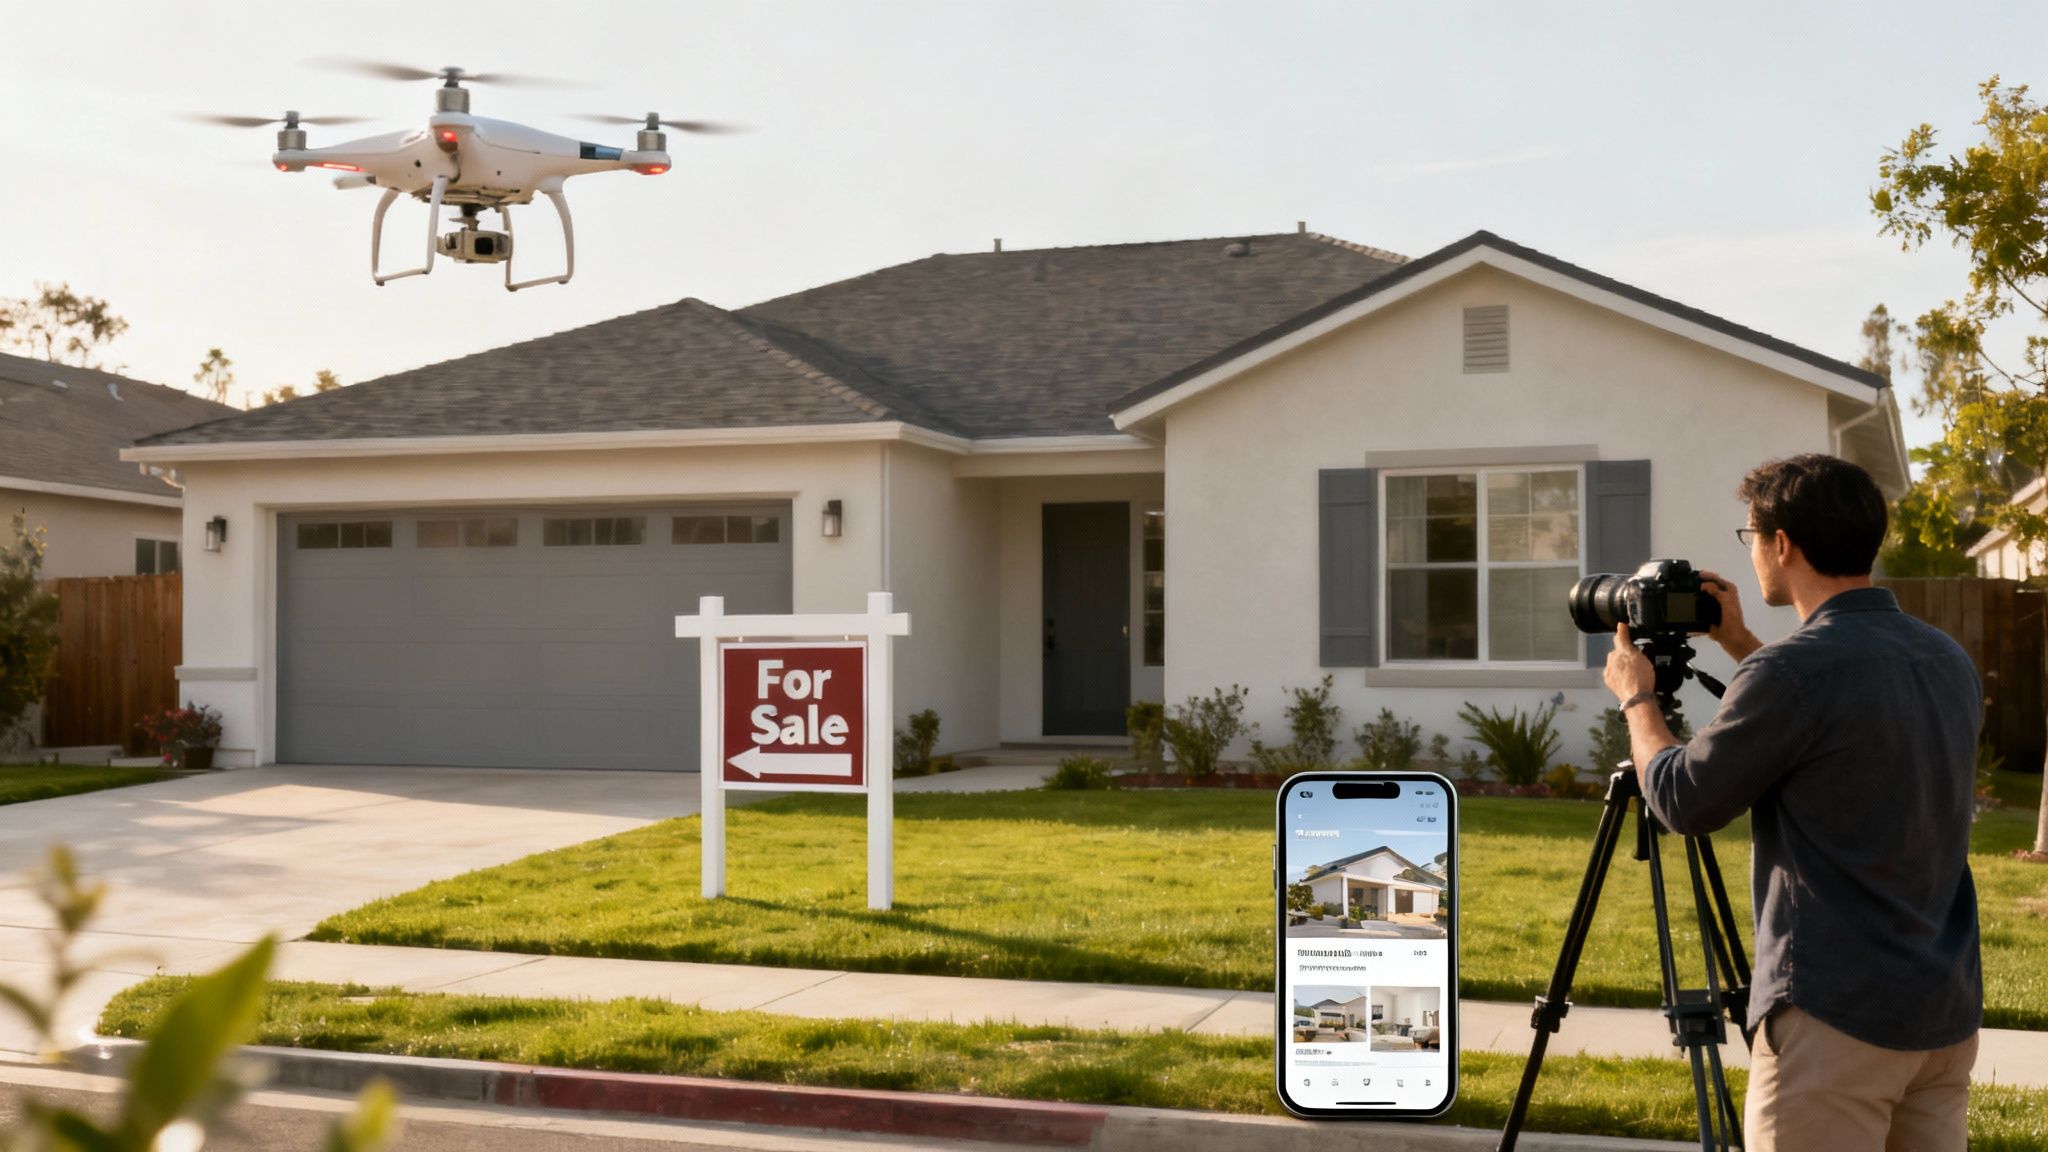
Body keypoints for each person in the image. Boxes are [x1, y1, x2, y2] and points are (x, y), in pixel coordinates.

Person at [1602, 454, 1982, 1152]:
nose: (1749, 551)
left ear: (1782, 543)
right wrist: (1742, 645)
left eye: (1751, 535)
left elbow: (1683, 800)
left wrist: (1637, 697)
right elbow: (1836, 726)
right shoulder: (1944, 658)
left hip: (1837, 1018)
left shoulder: (1792, 673)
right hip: (1941, 1014)